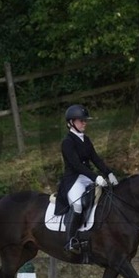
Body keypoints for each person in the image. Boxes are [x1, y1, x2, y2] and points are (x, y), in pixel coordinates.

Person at [55, 104, 119, 253]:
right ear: (71, 123)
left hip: (87, 177)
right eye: (81, 120)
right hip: (73, 180)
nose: (84, 123)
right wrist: (96, 177)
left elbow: (95, 158)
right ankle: (70, 241)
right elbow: (76, 165)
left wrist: (109, 173)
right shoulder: (67, 142)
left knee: (106, 196)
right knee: (77, 205)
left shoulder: (86, 139)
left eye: (85, 120)